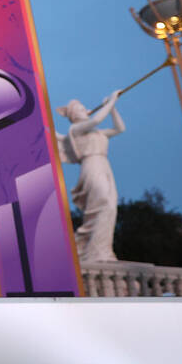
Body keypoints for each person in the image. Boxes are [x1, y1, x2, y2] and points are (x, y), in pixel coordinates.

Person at [57, 89, 125, 263]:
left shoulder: (97, 133)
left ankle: (101, 251)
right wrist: (111, 102)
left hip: (104, 166)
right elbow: (96, 119)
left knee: (110, 208)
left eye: (83, 107)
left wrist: (112, 108)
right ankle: (93, 253)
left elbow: (120, 128)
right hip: (91, 166)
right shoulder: (75, 129)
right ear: (73, 115)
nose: (85, 109)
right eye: (80, 108)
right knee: (103, 203)